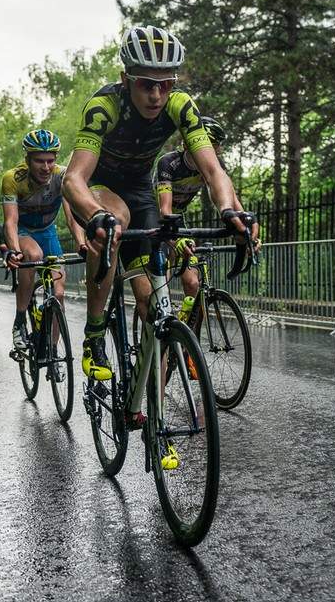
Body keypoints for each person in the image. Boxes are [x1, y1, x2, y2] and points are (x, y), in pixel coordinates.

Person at [62, 25, 254, 427]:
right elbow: (73, 178)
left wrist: (228, 210)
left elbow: (212, 169)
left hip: (140, 191)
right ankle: (94, 336)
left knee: (153, 303)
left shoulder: (180, 105)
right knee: (116, 220)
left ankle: (141, 402)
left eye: (165, 85)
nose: (156, 95)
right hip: (101, 188)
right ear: (125, 79)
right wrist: (94, 215)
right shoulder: (104, 106)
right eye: (146, 84)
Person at [154, 116, 259, 304]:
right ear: (189, 143)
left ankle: (190, 321)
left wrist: (245, 228)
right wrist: (175, 241)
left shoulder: (215, 166)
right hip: (155, 217)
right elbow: (165, 210)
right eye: (212, 145)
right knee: (161, 282)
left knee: (193, 283)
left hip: (178, 218)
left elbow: (232, 201)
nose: (214, 151)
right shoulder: (169, 163)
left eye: (216, 146)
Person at [1, 129, 86, 350]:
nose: (46, 167)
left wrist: (81, 243)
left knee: (58, 293)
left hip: (48, 232)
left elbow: (72, 217)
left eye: (50, 161)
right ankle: (20, 320)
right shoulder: (13, 179)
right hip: (23, 232)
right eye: (39, 161)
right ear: (27, 159)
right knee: (33, 254)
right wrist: (14, 250)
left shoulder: (62, 176)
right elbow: (10, 221)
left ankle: (52, 349)